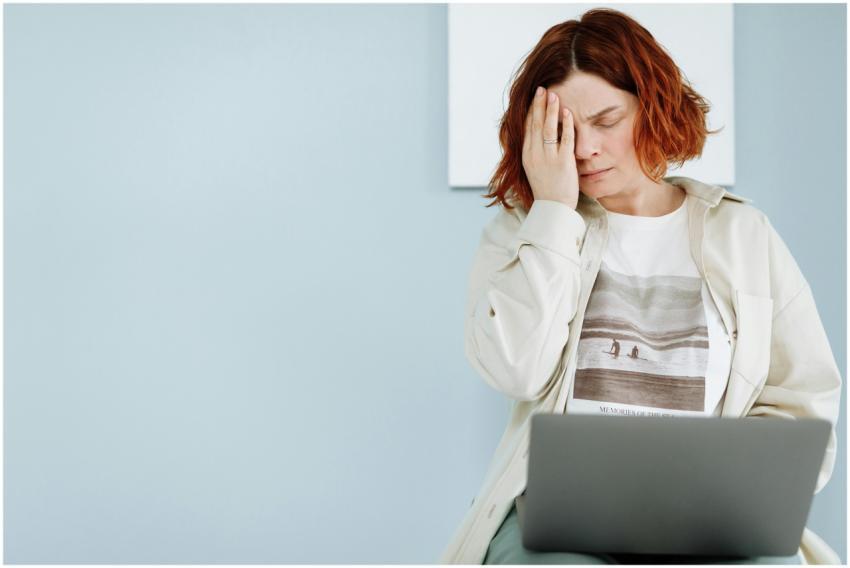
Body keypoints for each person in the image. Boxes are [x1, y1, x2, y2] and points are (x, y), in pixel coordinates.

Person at [439, 7, 841, 566]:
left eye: (606, 121)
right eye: (563, 132)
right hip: (562, 526)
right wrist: (553, 212)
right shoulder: (523, 228)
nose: (585, 149)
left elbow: (802, 397)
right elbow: (516, 371)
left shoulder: (743, 234)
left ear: (653, 107)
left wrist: (733, 486)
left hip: (710, 515)